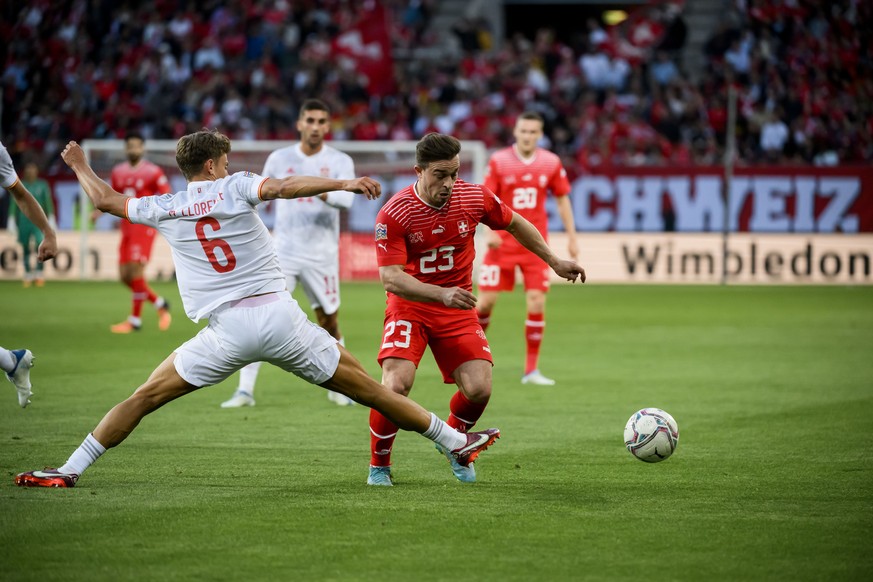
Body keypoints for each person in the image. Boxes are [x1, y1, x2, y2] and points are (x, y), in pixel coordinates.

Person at [14, 130, 500, 489]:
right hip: (278, 318)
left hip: (225, 331)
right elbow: (284, 187)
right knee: (371, 390)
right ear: (210, 167)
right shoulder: (234, 186)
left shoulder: (162, 205)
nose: (226, 168)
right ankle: (454, 441)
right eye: (222, 162)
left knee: (143, 397)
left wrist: (79, 163)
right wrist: (345, 184)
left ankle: (70, 468)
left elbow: (102, 199)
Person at [367, 133, 585, 486]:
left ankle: (455, 443)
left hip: (456, 306)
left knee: (480, 389)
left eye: (454, 173)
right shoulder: (395, 213)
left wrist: (554, 261)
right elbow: (391, 279)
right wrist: (440, 295)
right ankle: (379, 465)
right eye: (440, 174)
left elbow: (515, 223)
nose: (449, 183)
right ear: (418, 171)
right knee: (396, 385)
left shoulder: (473, 196)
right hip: (412, 306)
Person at [222, 99, 355, 409]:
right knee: (258, 316)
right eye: (310, 120)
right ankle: (244, 391)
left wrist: (312, 188)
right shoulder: (279, 158)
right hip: (283, 252)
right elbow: (259, 198)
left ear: (327, 126)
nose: (316, 126)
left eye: (322, 121)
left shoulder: (340, 161)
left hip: (321, 254)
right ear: (299, 124)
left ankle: (341, 387)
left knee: (329, 321)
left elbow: (346, 201)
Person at [475, 112, 579, 386]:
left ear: (540, 134)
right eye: (524, 131)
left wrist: (572, 236)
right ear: (516, 132)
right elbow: (486, 199)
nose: (528, 136)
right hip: (503, 242)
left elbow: (562, 199)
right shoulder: (500, 161)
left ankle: (531, 370)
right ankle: (469, 359)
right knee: (485, 303)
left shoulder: (550, 162)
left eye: (533, 132)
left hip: (536, 246)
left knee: (536, 302)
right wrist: (488, 232)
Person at [101, 132, 173, 334]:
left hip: (144, 226)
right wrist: (97, 214)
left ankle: (135, 320)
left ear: (143, 148)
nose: (133, 149)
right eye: (130, 146)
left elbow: (166, 194)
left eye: (137, 146)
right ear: (126, 149)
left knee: (136, 272)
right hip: (126, 226)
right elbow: (112, 196)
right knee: (124, 276)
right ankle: (160, 304)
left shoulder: (153, 171)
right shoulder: (118, 171)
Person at [9, 162, 56, 287]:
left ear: (36, 171)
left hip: (38, 222)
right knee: (24, 247)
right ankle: (28, 273)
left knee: (40, 245)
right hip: (23, 221)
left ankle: (39, 273)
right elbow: (15, 202)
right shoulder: (20, 184)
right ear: (25, 171)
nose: (31, 172)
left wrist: (51, 217)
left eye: (33, 169)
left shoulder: (42, 185)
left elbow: (48, 202)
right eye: (28, 169)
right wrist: (11, 218)